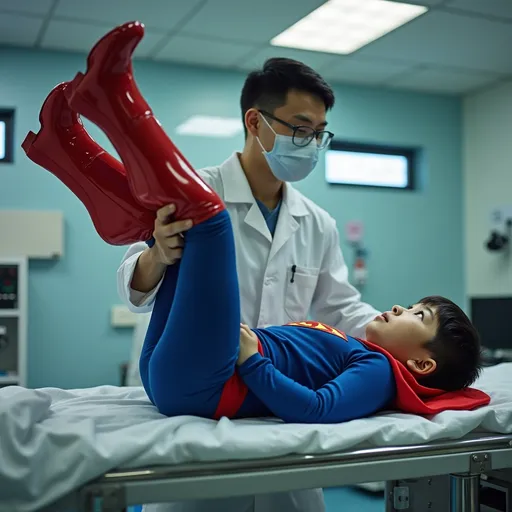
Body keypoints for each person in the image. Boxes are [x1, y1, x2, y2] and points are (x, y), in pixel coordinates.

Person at [19, 21, 484, 512]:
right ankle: (83, 126)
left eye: (319, 133)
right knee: (195, 218)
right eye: (299, 128)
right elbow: (131, 285)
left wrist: (403, 346)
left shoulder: (317, 223)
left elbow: (344, 309)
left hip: (271, 422)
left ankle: (63, 143)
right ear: (255, 122)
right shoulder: (199, 186)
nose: (310, 143)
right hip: (199, 404)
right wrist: (158, 253)